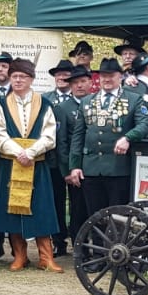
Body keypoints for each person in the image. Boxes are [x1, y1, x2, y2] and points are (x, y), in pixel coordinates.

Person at [0, 58, 60, 271]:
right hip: (11, 164)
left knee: (41, 209)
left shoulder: (44, 104)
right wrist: (18, 152)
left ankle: (46, 257)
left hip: (36, 164)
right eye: (14, 76)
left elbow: (49, 135)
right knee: (12, 211)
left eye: (22, 77)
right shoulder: (2, 105)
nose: (18, 80)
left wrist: (30, 152)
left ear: (31, 79)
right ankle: (20, 255)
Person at [70, 57, 134, 219]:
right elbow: (78, 135)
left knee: (117, 218)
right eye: (103, 75)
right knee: (95, 218)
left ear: (120, 76)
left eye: (111, 75)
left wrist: (128, 138)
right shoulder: (87, 101)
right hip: (91, 169)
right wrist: (75, 166)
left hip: (118, 169)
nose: (107, 79)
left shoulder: (133, 99)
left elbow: (144, 125)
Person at [49, 64, 92, 257]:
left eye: (83, 81)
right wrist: (67, 169)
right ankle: (76, 246)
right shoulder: (63, 108)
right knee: (75, 208)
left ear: (90, 82)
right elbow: (62, 142)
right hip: (71, 167)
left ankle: (93, 244)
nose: (79, 86)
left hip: (91, 165)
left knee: (88, 207)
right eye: (75, 83)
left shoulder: (94, 102)